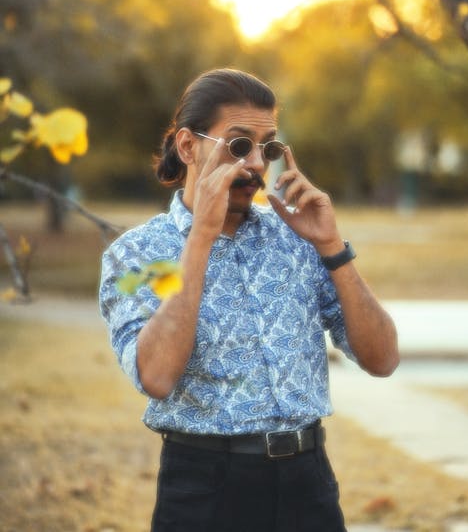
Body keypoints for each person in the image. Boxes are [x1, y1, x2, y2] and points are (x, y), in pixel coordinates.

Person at [99, 68, 399, 532]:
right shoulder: (135, 255)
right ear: (187, 146)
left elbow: (382, 359)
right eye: (239, 145)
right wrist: (200, 239)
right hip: (204, 491)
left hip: (308, 485)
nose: (257, 163)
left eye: (270, 147)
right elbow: (155, 376)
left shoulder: (299, 239)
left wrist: (333, 248)